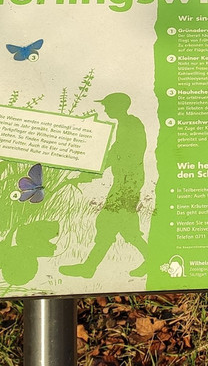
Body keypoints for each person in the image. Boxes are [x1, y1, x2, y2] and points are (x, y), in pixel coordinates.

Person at [59, 91, 148, 278]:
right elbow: (115, 152)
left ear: (118, 107)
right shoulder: (126, 124)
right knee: (119, 226)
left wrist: (93, 172)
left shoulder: (131, 125)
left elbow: (121, 154)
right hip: (125, 181)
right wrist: (91, 173)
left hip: (127, 183)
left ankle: (89, 267)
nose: (105, 109)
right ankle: (90, 267)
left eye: (108, 105)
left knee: (112, 224)